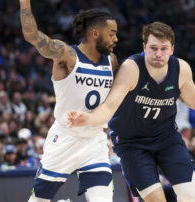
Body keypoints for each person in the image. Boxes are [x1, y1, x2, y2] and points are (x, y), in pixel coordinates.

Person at [68, 21, 195, 202]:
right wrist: (89, 117)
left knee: (191, 195)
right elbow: (110, 106)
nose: (158, 53)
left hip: (166, 138)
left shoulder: (181, 69)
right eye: (153, 48)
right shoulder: (131, 68)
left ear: (172, 49)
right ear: (144, 47)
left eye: (163, 48)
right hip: (132, 143)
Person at [19, 0, 118, 201]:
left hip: (94, 141)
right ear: (95, 33)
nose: (116, 38)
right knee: (38, 200)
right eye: (112, 33)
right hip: (64, 139)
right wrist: (24, 3)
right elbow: (32, 36)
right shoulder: (67, 55)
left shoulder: (112, 61)